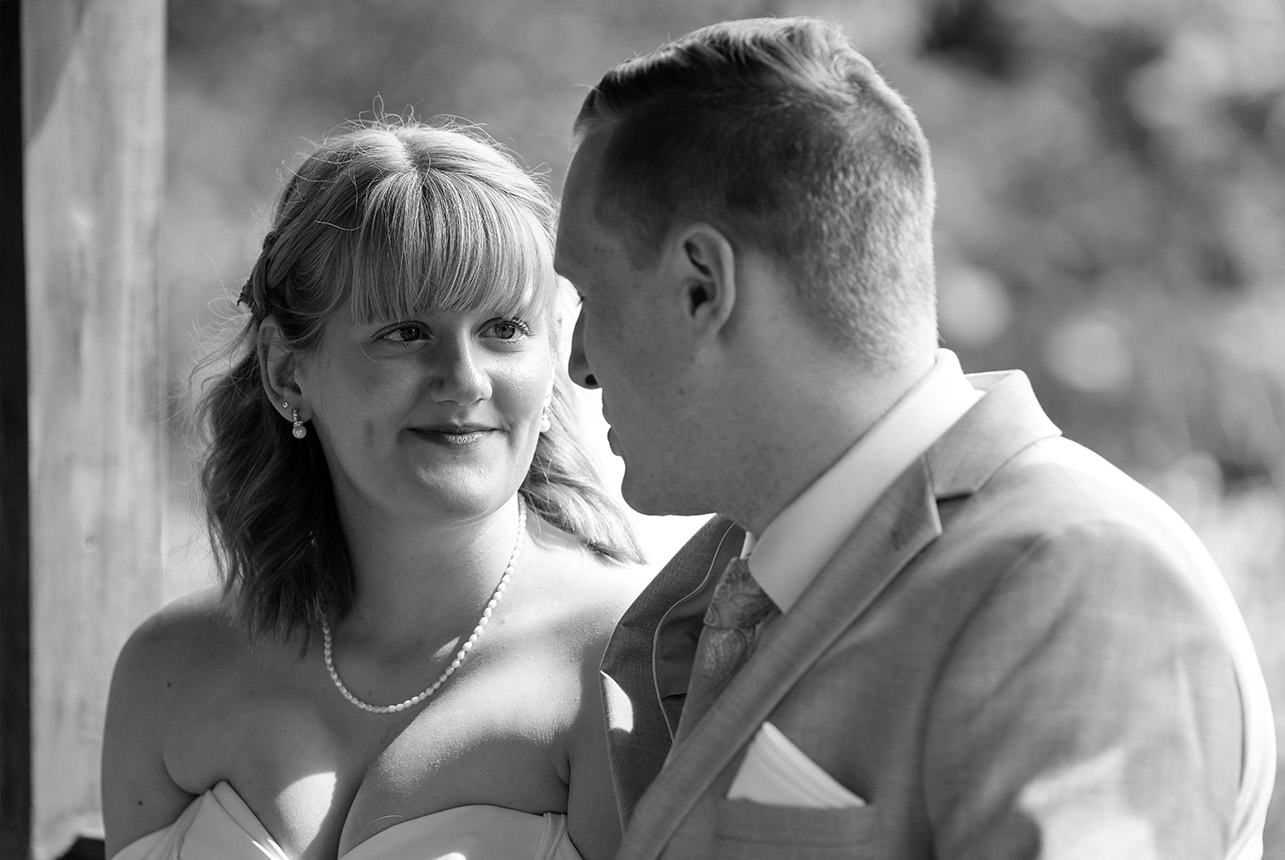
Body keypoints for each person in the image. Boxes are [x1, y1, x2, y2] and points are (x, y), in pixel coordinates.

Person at [555, 16, 1277, 860]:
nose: (577, 365)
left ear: (700, 287)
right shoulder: (728, 578)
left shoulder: (1074, 574)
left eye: (589, 295)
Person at [102, 117, 650, 860]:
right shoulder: (168, 668)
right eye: (405, 332)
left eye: (502, 329)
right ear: (286, 371)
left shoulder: (622, 667)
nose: (463, 379)